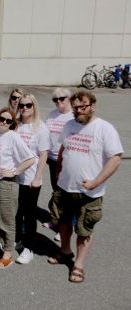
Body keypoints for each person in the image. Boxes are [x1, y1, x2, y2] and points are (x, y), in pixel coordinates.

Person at [48, 91, 123, 283]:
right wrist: (58, 172)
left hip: (90, 192)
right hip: (65, 187)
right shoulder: (69, 125)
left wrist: (96, 182)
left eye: (83, 107)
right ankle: (65, 251)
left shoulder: (104, 128)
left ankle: (78, 265)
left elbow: (115, 159)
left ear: (93, 106)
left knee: (84, 229)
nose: (79, 111)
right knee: (63, 223)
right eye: (75, 108)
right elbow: (63, 148)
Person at [0, 108, 35, 269]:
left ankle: (8, 253)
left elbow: (30, 159)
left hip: (6, 183)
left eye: (8, 121)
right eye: (2, 118)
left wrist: (14, 171)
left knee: (6, 219)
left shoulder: (13, 137)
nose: (4, 122)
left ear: (12, 123)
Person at [15, 94, 50, 264]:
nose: (24, 108)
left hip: (30, 178)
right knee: (17, 211)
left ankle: (29, 248)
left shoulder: (40, 128)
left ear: (34, 106)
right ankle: (17, 239)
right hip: (14, 177)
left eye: (28, 105)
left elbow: (43, 155)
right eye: (21, 105)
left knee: (29, 214)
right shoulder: (16, 125)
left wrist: (37, 178)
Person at [44, 88, 74, 239]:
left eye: (62, 98)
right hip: (52, 158)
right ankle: (55, 220)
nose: (58, 102)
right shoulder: (52, 114)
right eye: (55, 99)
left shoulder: (73, 116)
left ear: (69, 98)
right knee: (56, 190)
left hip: (66, 160)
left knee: (65, 194)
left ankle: (64, 228)